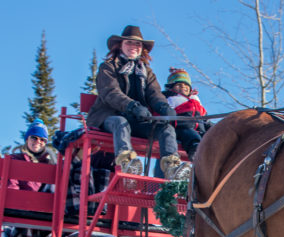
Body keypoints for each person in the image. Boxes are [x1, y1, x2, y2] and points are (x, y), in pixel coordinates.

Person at [86, 25, 188, 180]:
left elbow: (154, 93)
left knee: (165, 128)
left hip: (138, 121)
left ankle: (171, 165)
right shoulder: (108, 67)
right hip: (109, 117)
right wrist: (132, 106)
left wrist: (164, 107)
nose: (133, 47)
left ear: (142, 49)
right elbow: (110, 92)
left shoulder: (145, 71)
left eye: (137, 44)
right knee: (121, 122)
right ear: (120, 45)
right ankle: (127, 162)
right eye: (129, 43)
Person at [4, 119, 59, 237]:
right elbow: (11, 187)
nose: (38, 142)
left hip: (43, 211)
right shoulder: (16, 159)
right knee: (26, 229)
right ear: (27, 139)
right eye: (34, 138)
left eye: (42, 139)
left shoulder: (51, 163)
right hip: (22, 209)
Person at [163, 68, 208, 161]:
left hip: (199, 128)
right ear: (171, 87)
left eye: (186, 85)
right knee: (189, 133)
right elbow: (165, 111)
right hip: (181, 128)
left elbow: (204, 115)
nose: (183, 86)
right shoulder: (171, 99)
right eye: (179, 85)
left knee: (212, 131)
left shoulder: (195, 100)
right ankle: (195, 150)